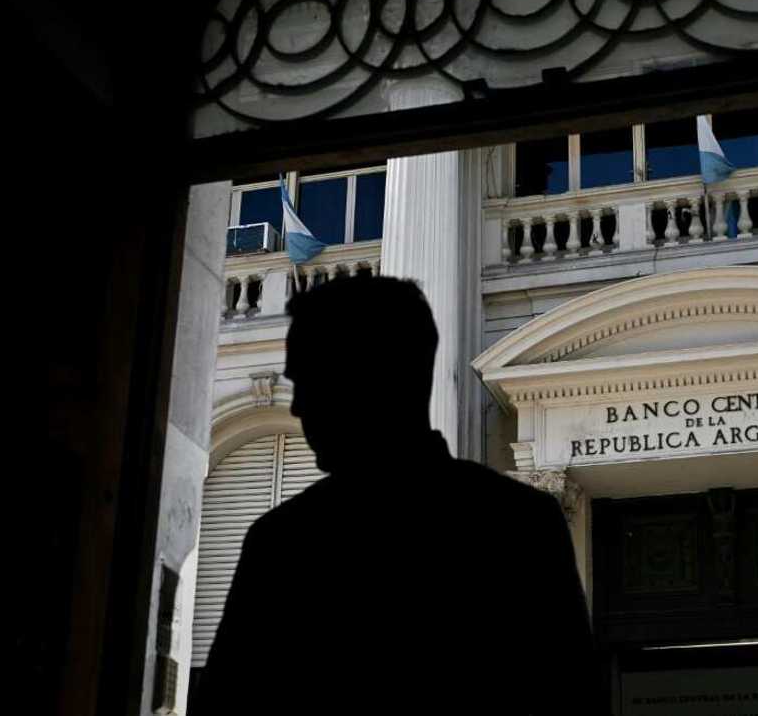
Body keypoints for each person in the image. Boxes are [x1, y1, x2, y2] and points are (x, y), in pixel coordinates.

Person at [195, 274, 604, 714]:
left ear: (363, 382)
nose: (296, 407)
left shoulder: (285, 542)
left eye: (309, 383)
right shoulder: (522, 522)